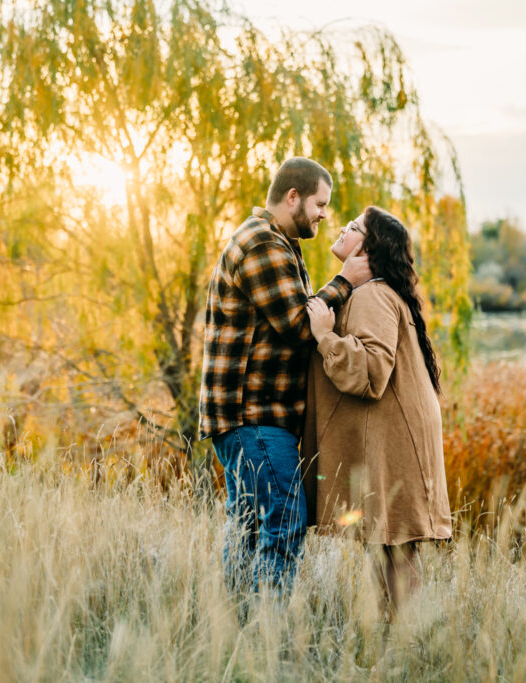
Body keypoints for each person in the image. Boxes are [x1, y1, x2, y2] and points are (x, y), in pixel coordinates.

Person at [198, 157, 372, 594]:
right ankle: (266, 640)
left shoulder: (280, 242)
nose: (324, 214)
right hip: (253, 416)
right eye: (320, 203)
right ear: (292, 196)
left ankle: (234, 634)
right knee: (284, 523)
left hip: (252, 418)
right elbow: (299, 325)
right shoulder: (261, 243)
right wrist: (345, 280)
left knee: (249, 528)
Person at [301, 205, 452, 617]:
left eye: (351, 228)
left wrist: (324, 336)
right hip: (394, 435)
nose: (340, 228)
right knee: (390, 548)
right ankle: (397, 647)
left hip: (395, 440)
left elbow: (370, 373)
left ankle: (399, 650)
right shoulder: (375, 293)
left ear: (366, 251)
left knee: (394, 550)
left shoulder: (371, 296)